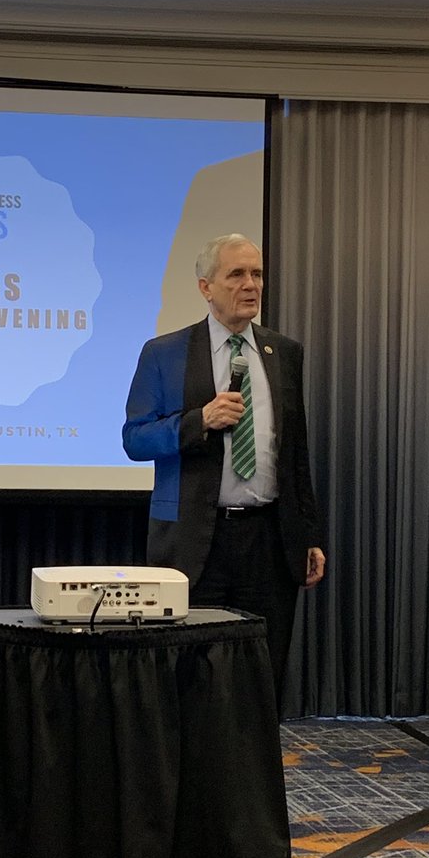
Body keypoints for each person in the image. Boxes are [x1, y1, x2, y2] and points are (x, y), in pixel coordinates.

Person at [123, 233, 325, 713]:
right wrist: (200, 421)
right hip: (197, 543)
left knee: (262, 678)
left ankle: (255, 764)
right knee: (192, 680)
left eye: (256, 274)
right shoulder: (165, 353)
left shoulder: (283, 353)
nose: (250, 285)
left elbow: (295, 453)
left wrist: (309, 535)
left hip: (270, 542)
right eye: (236, 274)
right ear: (205, 287)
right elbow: (135, 438)